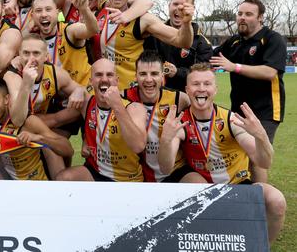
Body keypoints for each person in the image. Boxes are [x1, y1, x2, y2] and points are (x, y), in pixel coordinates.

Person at [158, 63, 286, 243]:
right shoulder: (181, 122)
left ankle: (260, 246)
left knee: (277, 201)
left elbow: (264, 162)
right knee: (197, 188)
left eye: (207, 84)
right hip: (203, 188)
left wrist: (261, 135)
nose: (201, 89)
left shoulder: (230, 119)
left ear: (215, 89)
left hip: (237, 185)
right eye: (195, 84)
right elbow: (164, 167)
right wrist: (165, 140)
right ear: (187, 89)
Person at [89, 0, 194, 90]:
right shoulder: (100, 8)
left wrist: (186, 23)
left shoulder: (143, 19)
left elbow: (183, 41)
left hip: (131, 94)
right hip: (101, 92)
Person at [210, 0, 286, 152]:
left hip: (266, 111)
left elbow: (270, 72)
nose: (242, 17)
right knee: (239, 156)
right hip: (238, 110)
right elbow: (210, 58)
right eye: (239, 13)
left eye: (248, 14)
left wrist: (234, 67)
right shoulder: (234, 42)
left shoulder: (272, 39)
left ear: (260, 18)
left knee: (257, 158)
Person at [56, 59, 148, 182]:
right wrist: (79, 90)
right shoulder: (87, 103)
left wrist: (117, 106)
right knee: (63, 178)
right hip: (96, 171)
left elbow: (138, 146)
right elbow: (58, 78)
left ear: (117, 80)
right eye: (98, 75)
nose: (104, 79)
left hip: (127, 178)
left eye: (109, 75)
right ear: (91, 81)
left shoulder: (134, 108)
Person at [122, 51, 203, 183]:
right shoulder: (123, 97)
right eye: (143, 74)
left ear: (162, 76)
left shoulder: (179, 99)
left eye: (154, 74)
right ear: (135, 76)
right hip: (138, 173)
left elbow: (205, 113)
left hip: (175, 169)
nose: (149, 79)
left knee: (199, 185)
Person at [0, 78, 74, 180]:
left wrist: (39, 138)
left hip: (32, 182)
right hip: (6, 178)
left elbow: (68, 150)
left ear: (6, 99)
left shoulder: (28, 122)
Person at [145, 0, 212, 91]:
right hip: (157, 99)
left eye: (184, 6)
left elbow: (203, 75)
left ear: (192, 9)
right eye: (175, 4)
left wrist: (177, 72)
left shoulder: (202, 43)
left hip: (187, 100)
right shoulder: (153, 35)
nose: (179, 8)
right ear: (169, 6)